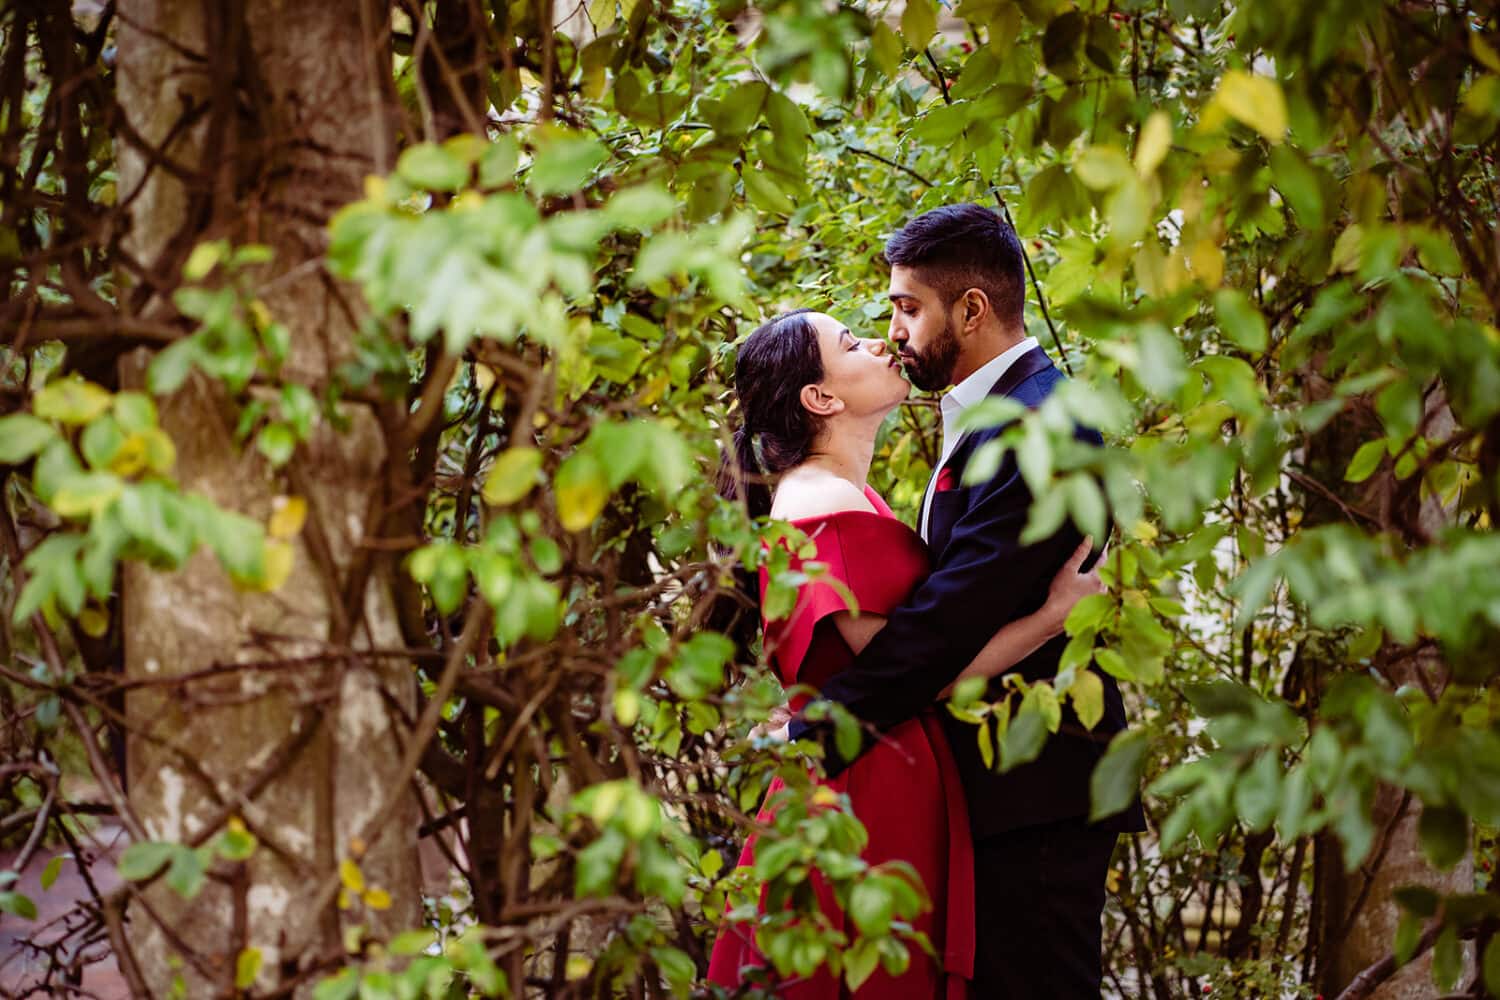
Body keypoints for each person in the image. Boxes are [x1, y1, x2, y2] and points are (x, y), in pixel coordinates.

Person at [782, 204, 1148, 998]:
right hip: (996, 788)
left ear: (972, 309)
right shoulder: (994, 415)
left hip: (1036, 789)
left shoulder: (1042, 425)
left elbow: (945, 622)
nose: (893, 330)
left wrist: (816, 728)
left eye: (908, 307)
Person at [706, 307, 1105, 999]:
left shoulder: (847, 494)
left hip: (880, 765)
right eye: (850, 343)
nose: (880, 339)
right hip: (869, 785)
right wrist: (1050, 617)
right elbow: (922, 669)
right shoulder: (822, 500)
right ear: (822, 397)